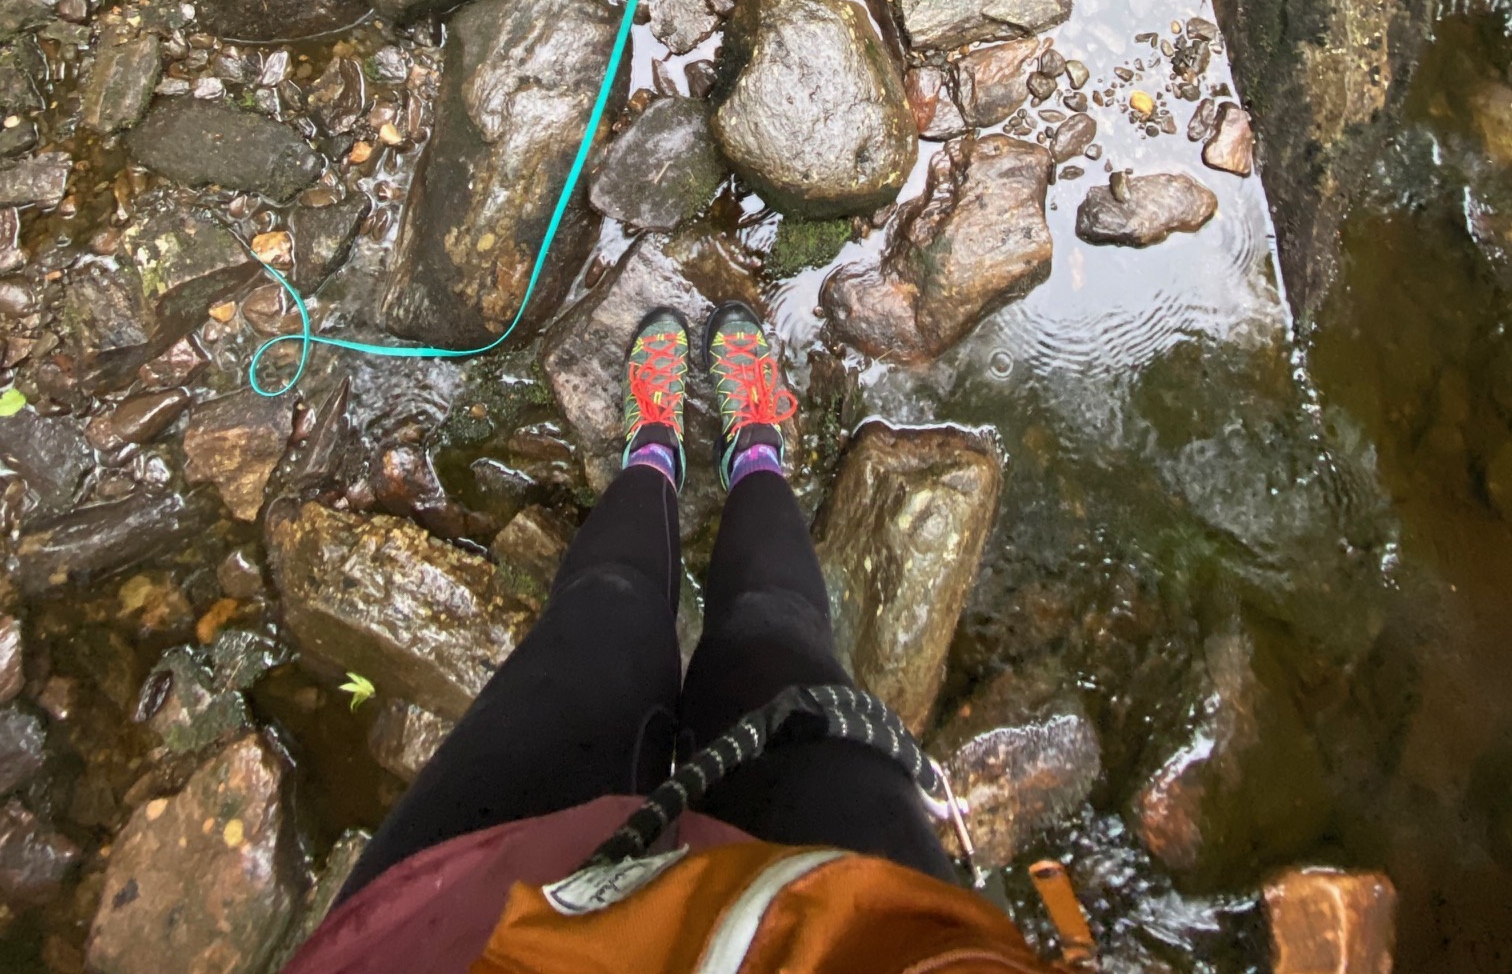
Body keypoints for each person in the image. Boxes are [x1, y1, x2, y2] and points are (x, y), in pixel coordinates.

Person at [287, 303, 1049, 974]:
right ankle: (747, 447)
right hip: (869, 930)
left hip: (463, 935)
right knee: (774, 638)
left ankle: (656, 446)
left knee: (598, 627)